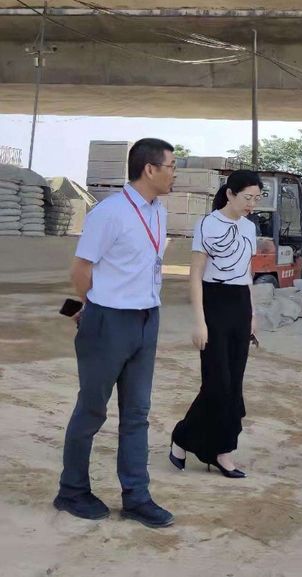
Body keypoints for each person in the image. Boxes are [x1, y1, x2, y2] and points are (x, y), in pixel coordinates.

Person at [53, 138, 175, 528]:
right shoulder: (110, 212)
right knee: (92, 409)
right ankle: (72, 491)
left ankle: (137, 497)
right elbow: (81, 269)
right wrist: (93, 307)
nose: (174, 174)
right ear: (149, 169)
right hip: (108, 321)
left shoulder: (159, 212)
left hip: (147, 319)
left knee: (137, 414)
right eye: (171, 166)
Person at [169, 170, 261, 478]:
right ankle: (183, 436)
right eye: (247, 197)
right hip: (214, 302)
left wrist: (252, 314)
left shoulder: (249, 227)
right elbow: (195, 274)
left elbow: (247, 273)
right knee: (217, 384)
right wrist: (200, 321)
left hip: (240, 304)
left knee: (233, 385)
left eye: (256, 199)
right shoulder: (207, 224)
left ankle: (223, 451)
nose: (251, 204)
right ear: (230, 194)